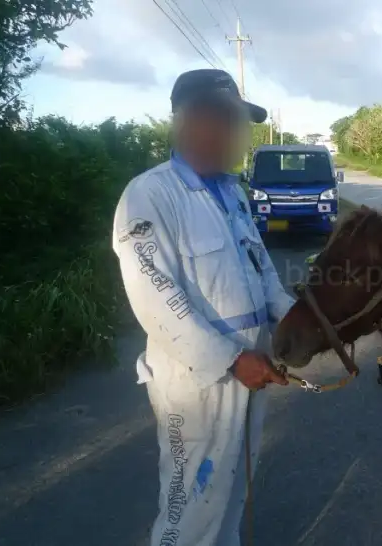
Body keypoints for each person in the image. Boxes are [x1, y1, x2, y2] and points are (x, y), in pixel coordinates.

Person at [111, 68, 296, 546]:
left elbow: (262, 269)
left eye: (237, 123)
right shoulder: (150, 194)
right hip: (197, 384)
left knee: (232, 495)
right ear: (188, 122)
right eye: (222, 120)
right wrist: (232, 360)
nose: (232, 133)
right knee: (190, 508)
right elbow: (154, 296)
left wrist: (293, 317)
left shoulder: (233, 193)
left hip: (253, 367)